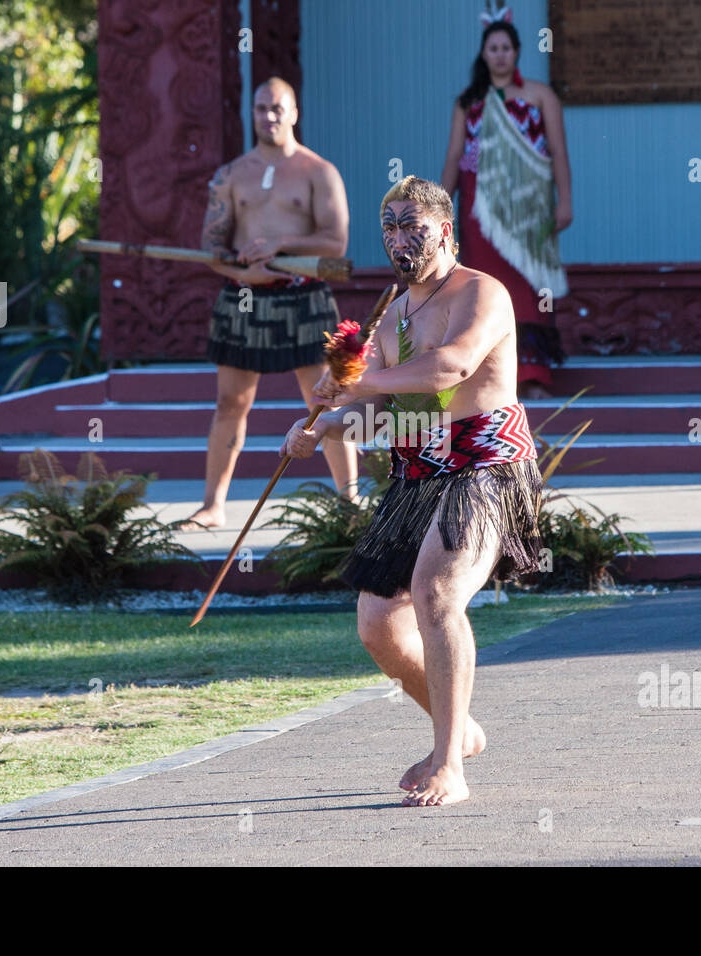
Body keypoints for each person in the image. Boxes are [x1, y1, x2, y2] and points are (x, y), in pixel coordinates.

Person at [280, 176, 545, 807]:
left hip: (486, 465)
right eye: (390, 229)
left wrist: (358, 384)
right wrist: (321, 427)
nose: (400, 240)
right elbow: (397, 410)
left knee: (437, 592)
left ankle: (449, 764)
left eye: (412, 227)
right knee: (377, 624)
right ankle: (460, 730)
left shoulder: (482, 292)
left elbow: (451, 369)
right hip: (419, 470)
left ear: (444, 230)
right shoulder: (395, 314)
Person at [189, 77, 357, 529]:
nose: (269, 116)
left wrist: (280, 245)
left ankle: (348, 502)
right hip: (244, 297)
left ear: (294, 112)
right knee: (230, 402)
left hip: (303, 295)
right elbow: (212, 247)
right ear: (253, 112)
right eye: (261, 108)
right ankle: (212, 506)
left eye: (278, 108)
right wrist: (244, 272)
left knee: (326, 401)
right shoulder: (231, 174)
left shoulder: (318, 171)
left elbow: (336, 243)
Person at [439, 14, 572, 401]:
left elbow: (559, 153)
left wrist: (565, 201)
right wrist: (438, 210)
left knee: (527, 285)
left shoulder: (540, 95)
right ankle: (485, 371)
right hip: (480, 212)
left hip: (529, 209)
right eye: (493, 48)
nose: (500, 55)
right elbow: (453, 158)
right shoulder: (469, 102)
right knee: (482, 285)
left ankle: (532, 373)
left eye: (507, 48)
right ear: (484, 53)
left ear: (516, 53)